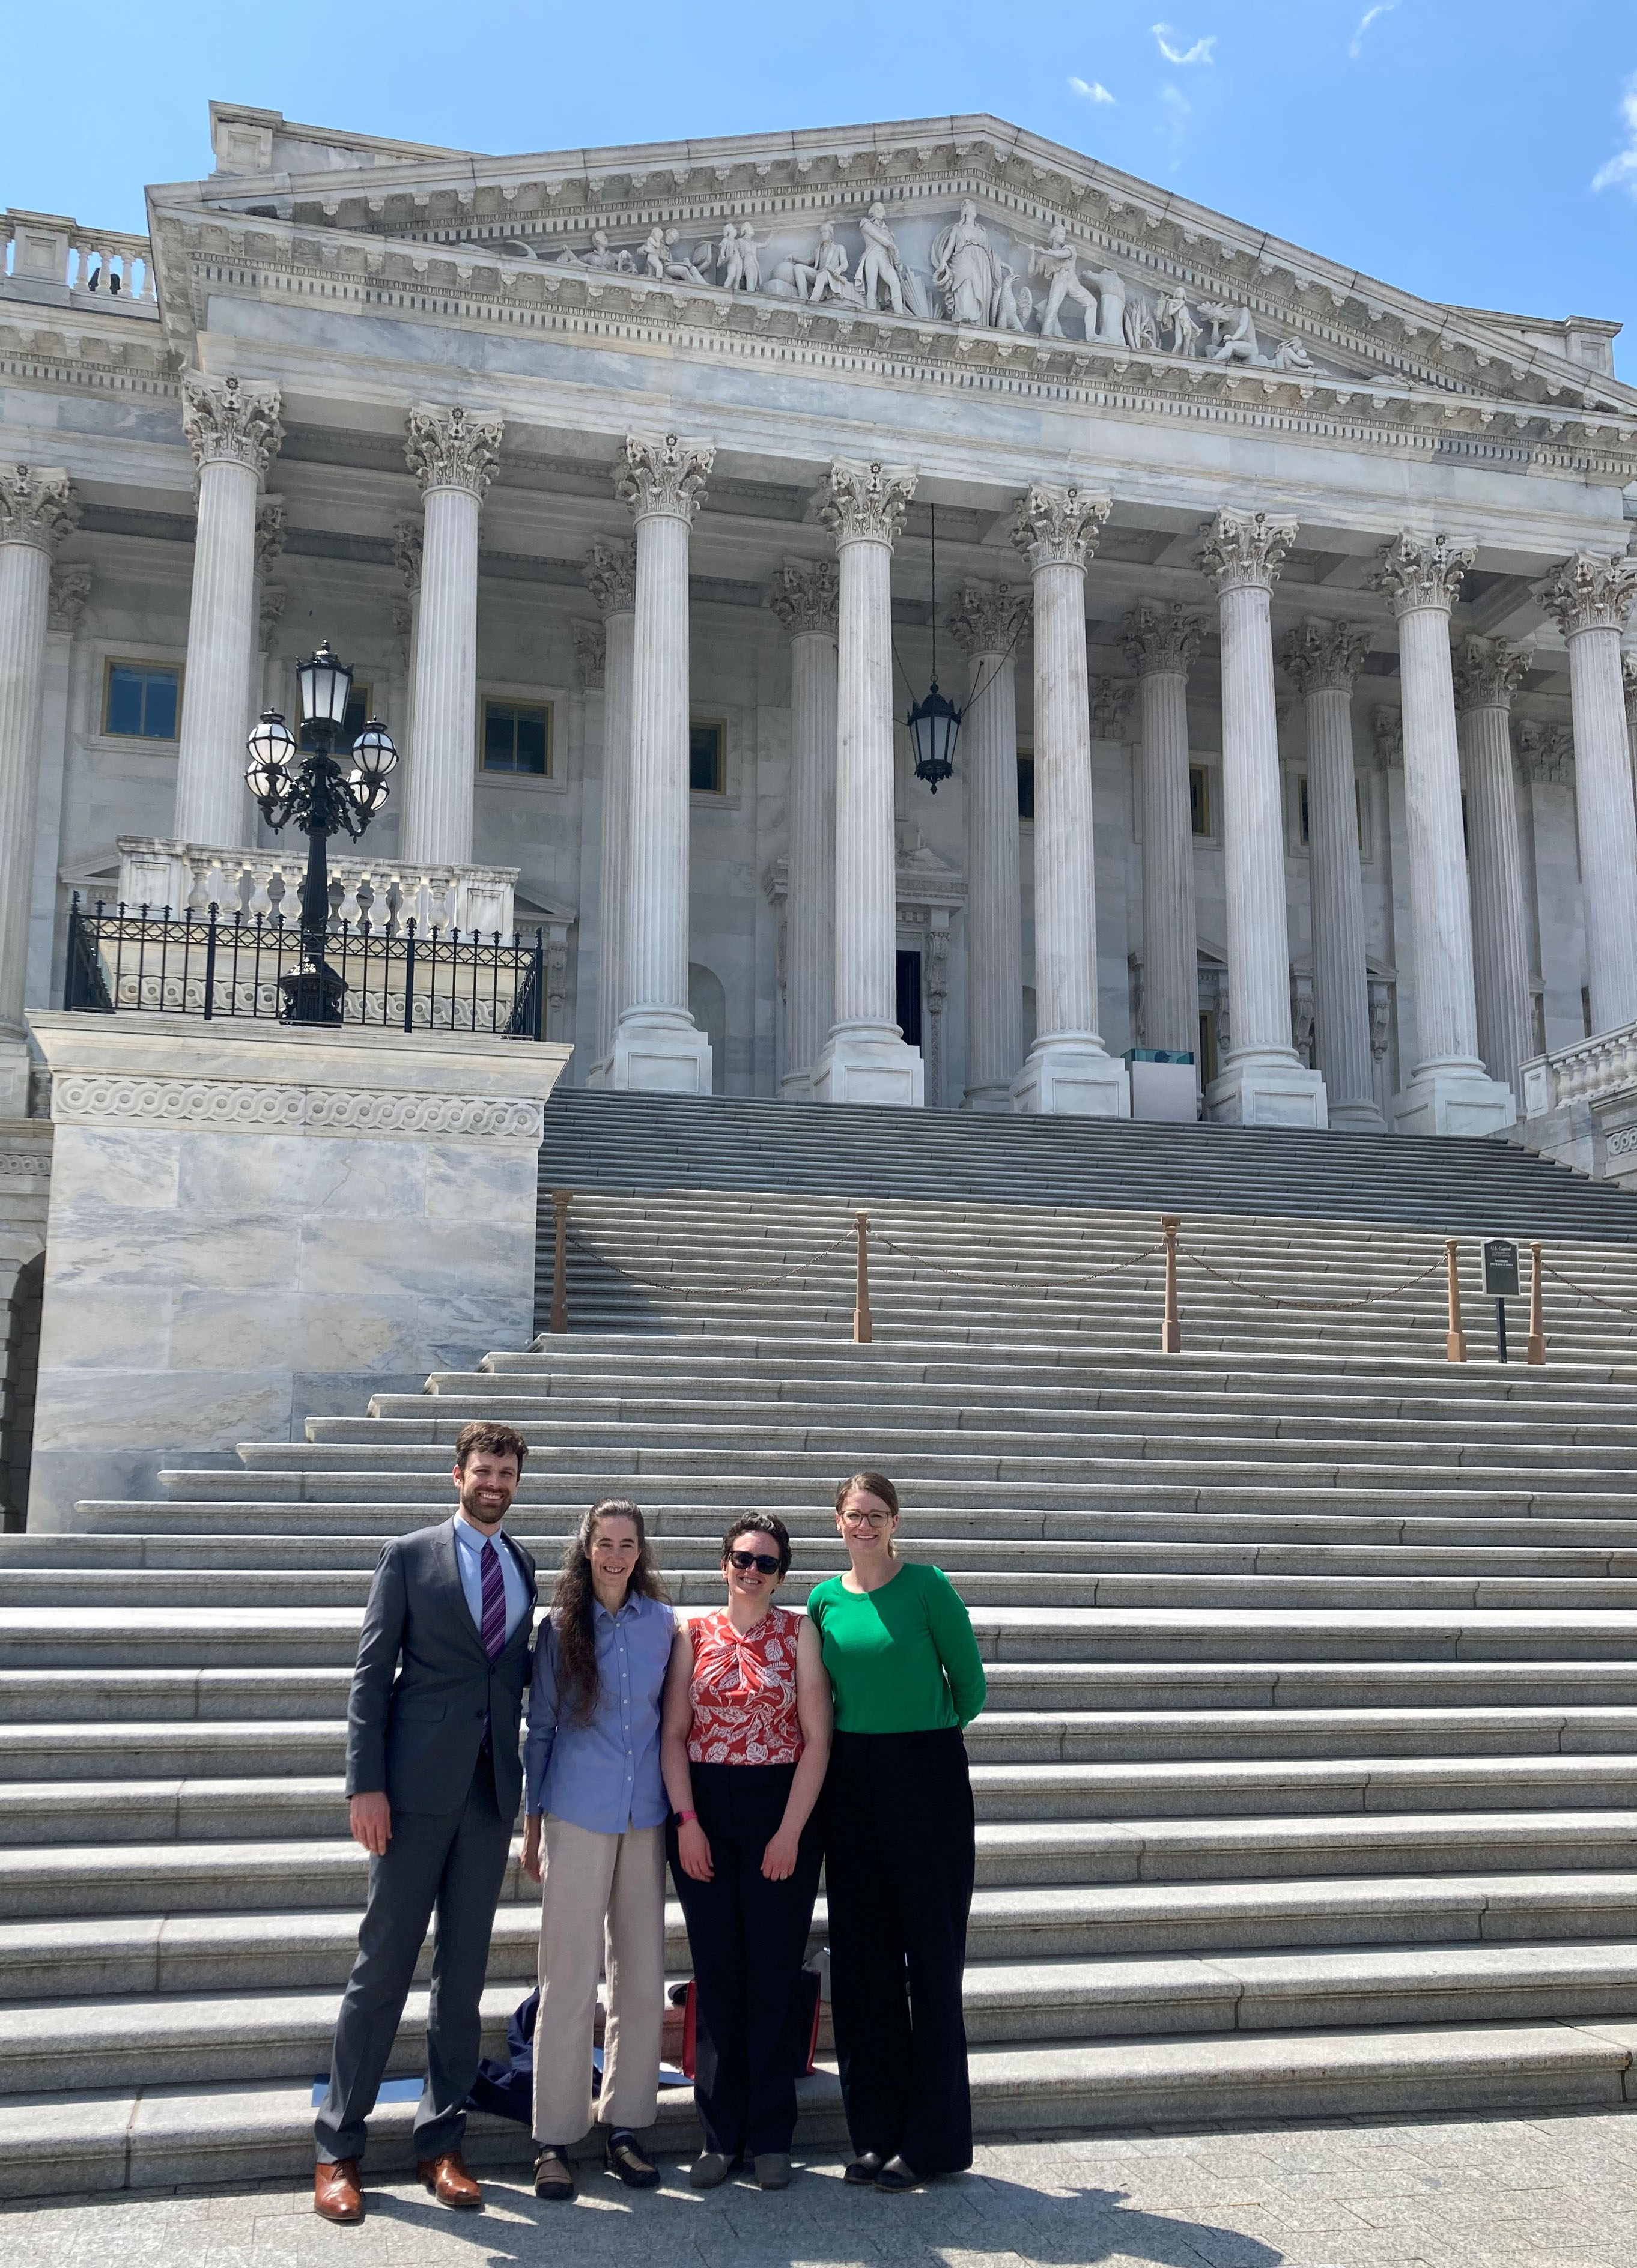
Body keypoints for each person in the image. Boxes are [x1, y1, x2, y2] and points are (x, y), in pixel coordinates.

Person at [314, 1421, 537, 2225]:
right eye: (484, 1470)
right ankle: (338, 2148)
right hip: (407, 1797)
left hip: (485, 1800)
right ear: (457, 1476)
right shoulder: (409, 1556)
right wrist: (362, 1786)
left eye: (507, 1472)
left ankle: (441, 2143)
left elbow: (513, 1680)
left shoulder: (521, 1564)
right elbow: (372, 1678)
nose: (495, 1483)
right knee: (381, 1971)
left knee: (463, 1979)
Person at [807, 1471, 986, 2193]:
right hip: (850, 1779)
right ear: (838, 1519)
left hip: (926, 1776)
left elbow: (969, 1685)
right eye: (853, 1514)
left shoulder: (928, 1586)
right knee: (861, 1966)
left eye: (876, 1515)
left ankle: (933, 2141)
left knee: (933, 1962)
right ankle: (875, 2134)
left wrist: (923, 1745)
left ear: (895, 1520)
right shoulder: (822, 1599)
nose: (864, 1525)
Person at [661, 1514, 831, 2191]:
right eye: (741, 1557)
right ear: (723, 1562)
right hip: (705, 1809)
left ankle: (769, 2134)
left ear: (781, 1573)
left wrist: (790, 1831)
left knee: (771, 1973)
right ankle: (717, 2133)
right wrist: (686, 1821)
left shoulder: (799, 1632)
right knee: (718, 1971)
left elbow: (817, 1737)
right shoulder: (691, 1633)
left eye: (765, 1561)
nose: (751, 1570)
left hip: (779, 1810)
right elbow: (674, 1732)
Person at [523, 1499, 675, 2200]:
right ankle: (553, 2138)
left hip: (644, 1815)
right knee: (569, 1977)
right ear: (586, 1549)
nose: (615, 1554)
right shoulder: (558, 1629)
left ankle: (624, 2126)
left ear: (641, 1551)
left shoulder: (663, 1626)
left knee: (641, 1976)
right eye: (604, 1542)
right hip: (578, 1814)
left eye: (627, 1543)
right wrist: (533, 1824)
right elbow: (542, 1730)